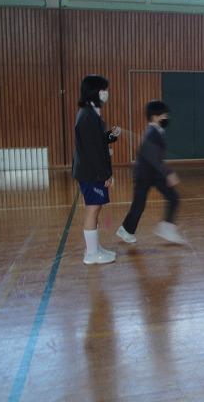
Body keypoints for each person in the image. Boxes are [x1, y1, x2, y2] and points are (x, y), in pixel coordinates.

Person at [116, 100, 186, 245]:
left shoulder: (156, 131)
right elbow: (154, 158)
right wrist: (168, 173)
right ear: (154, 117)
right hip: (144, 175)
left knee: (173, 197)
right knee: (139, 205)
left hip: (153, 173)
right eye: (164, 115)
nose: (166, 117)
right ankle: (126, 230)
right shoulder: (152, 133)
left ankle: (166, 228)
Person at [72, 75, 121, 265]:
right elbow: (93, 151)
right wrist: (105, 174)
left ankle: (94, 248)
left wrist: (110, 135)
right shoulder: (88, 116)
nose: (106, 93)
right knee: (92, 209)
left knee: (95, 208)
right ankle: (91, 254)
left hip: (90, 170)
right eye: (103, 89)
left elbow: (97, 141)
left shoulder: (90, 113)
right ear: (95, 91)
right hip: (91, 172)